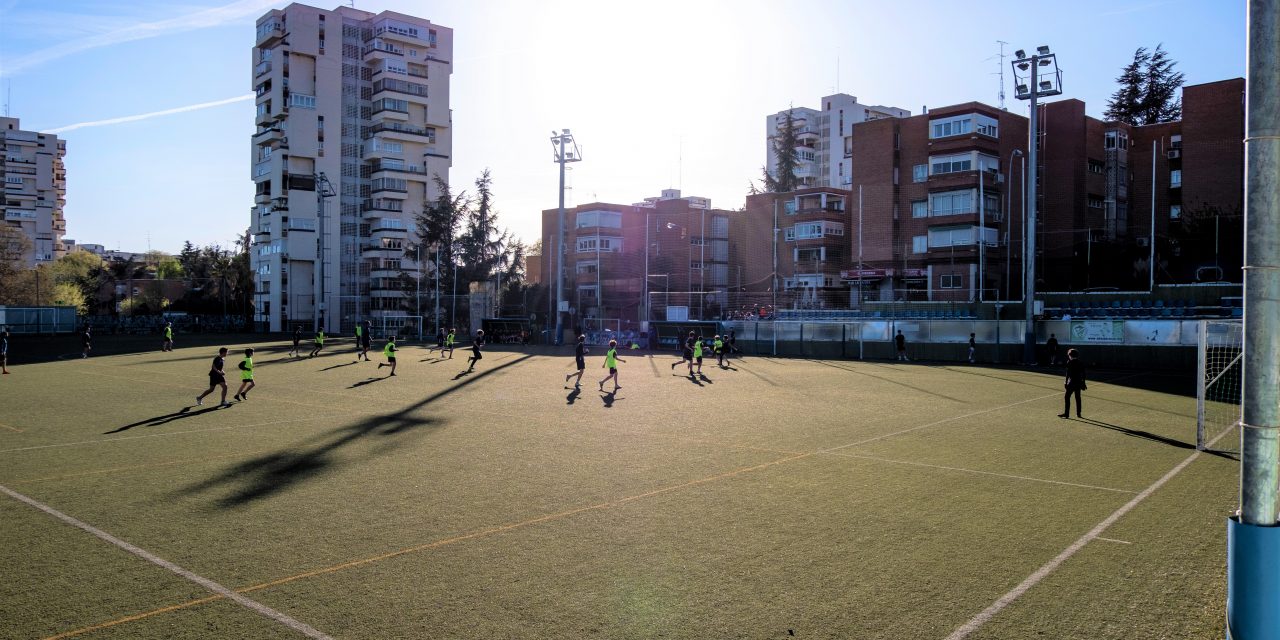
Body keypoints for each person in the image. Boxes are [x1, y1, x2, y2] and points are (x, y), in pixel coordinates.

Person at [1059, 348, 1086, 418]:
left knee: (1067, 397)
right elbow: (1084, 373)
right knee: (1078, 398)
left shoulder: (1069, 362)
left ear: (1070, 355)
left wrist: (1066, 382)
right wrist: (1083, 382)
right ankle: (1078, 413)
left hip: (1071, 382)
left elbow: (1067, 373)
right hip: (1078, 382)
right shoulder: (1080, 362)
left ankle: (1066, 413)